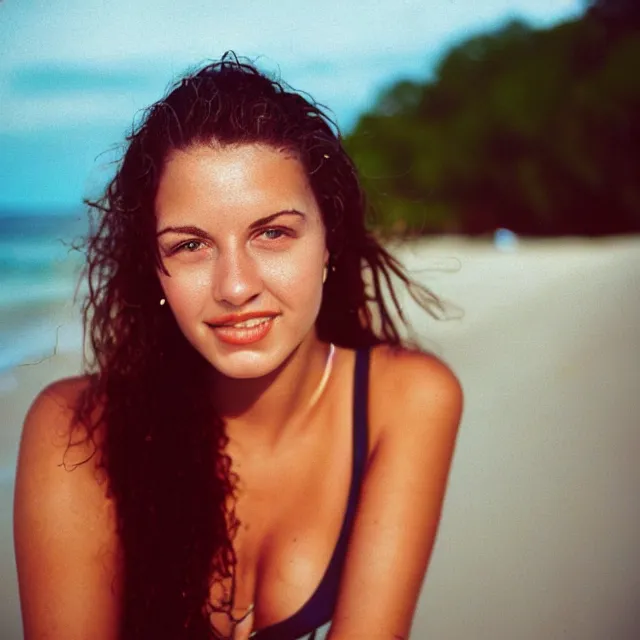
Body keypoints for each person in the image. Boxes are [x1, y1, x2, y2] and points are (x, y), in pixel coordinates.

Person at [13, 53, 463, 640]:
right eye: (190, 246)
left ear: (328, 238)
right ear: (153, 266)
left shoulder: (404, 400)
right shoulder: (78, 431)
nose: (235, 287)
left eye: (272, 233)